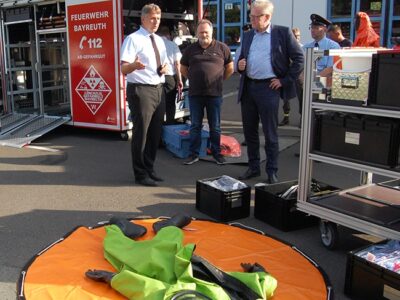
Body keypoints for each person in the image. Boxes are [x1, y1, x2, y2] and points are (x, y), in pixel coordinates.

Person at [236, 0, 304, 183]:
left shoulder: (282, 33)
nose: (252, 20)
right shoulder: (249, 35)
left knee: (270, 132)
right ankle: (253, 167)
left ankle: (272, 170)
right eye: (250, 16)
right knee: (249, 132)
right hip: (249, 87)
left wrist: (284, 80)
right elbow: (240, 59)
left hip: (269, 88)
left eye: (255, 16)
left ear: (267, 17)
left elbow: (299, 59)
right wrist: (240, 65)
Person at [120, 4, 168, 187]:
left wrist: (163, 69)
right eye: (152, 18)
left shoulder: (159, 40)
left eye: (158, 18)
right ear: (143, 19)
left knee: (155, 133)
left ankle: (149, 168)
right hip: (141, 90)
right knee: (142, 133)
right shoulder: (133, 39)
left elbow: (161, 65)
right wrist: (134, 66)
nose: (156, 22)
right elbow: (124, 68)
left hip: (158, 88)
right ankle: (140, 174)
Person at [180, 19, 234, 165]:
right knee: (195, 125)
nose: (204, 35)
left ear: (212, 32)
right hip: (195, 94)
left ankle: (216, 153)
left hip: (214, 94)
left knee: (215, 126)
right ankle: (193, 154)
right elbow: (183, 68)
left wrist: (220, 79)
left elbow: (230, 67)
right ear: (197, 33)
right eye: (201, 32)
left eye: (206, 32)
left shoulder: (222, 48)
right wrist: (192, 78)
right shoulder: (190, 49)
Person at [158, 26, 183, 125]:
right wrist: (179, 79)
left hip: (157, 78)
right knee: (170, 104)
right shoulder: (173, 45)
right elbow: (177, 64)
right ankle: (170, 125)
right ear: (168, 35)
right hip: (169, 78)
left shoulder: (153, 45)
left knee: (158, 104)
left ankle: (158, 127)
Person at [279, 27, 303, 127]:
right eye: (294, 36)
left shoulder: (303, 47)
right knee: (286, 98)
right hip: (288, 75)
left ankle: (302, 117)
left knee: (301, 98)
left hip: (299, 76)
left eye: (298, 36)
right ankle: (286, 117)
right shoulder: (286, 47)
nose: (296, 38)